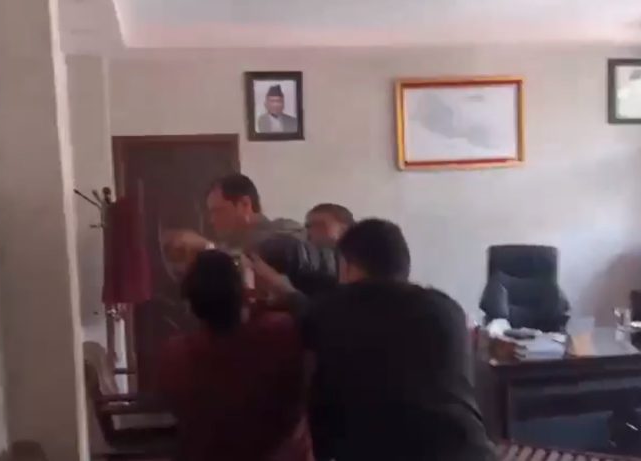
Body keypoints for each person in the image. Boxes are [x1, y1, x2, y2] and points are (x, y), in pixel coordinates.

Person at [250, 219, 494, 461]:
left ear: (347, 266)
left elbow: (306, 312)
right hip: (470, 452)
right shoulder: (448, 309)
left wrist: (278, 287)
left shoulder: (337, 308)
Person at [155, 250, 314, 461]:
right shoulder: (280, 331)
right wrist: (284, 291)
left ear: (191, 304)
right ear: (243, 293)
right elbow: (315, 320)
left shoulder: (175, 356)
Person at [206, 173, 337, 297]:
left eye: (218, 211)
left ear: (245, 204)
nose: (212, 220)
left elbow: (277, 249)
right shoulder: (231, 246)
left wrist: (208, 248)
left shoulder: (286, 231)